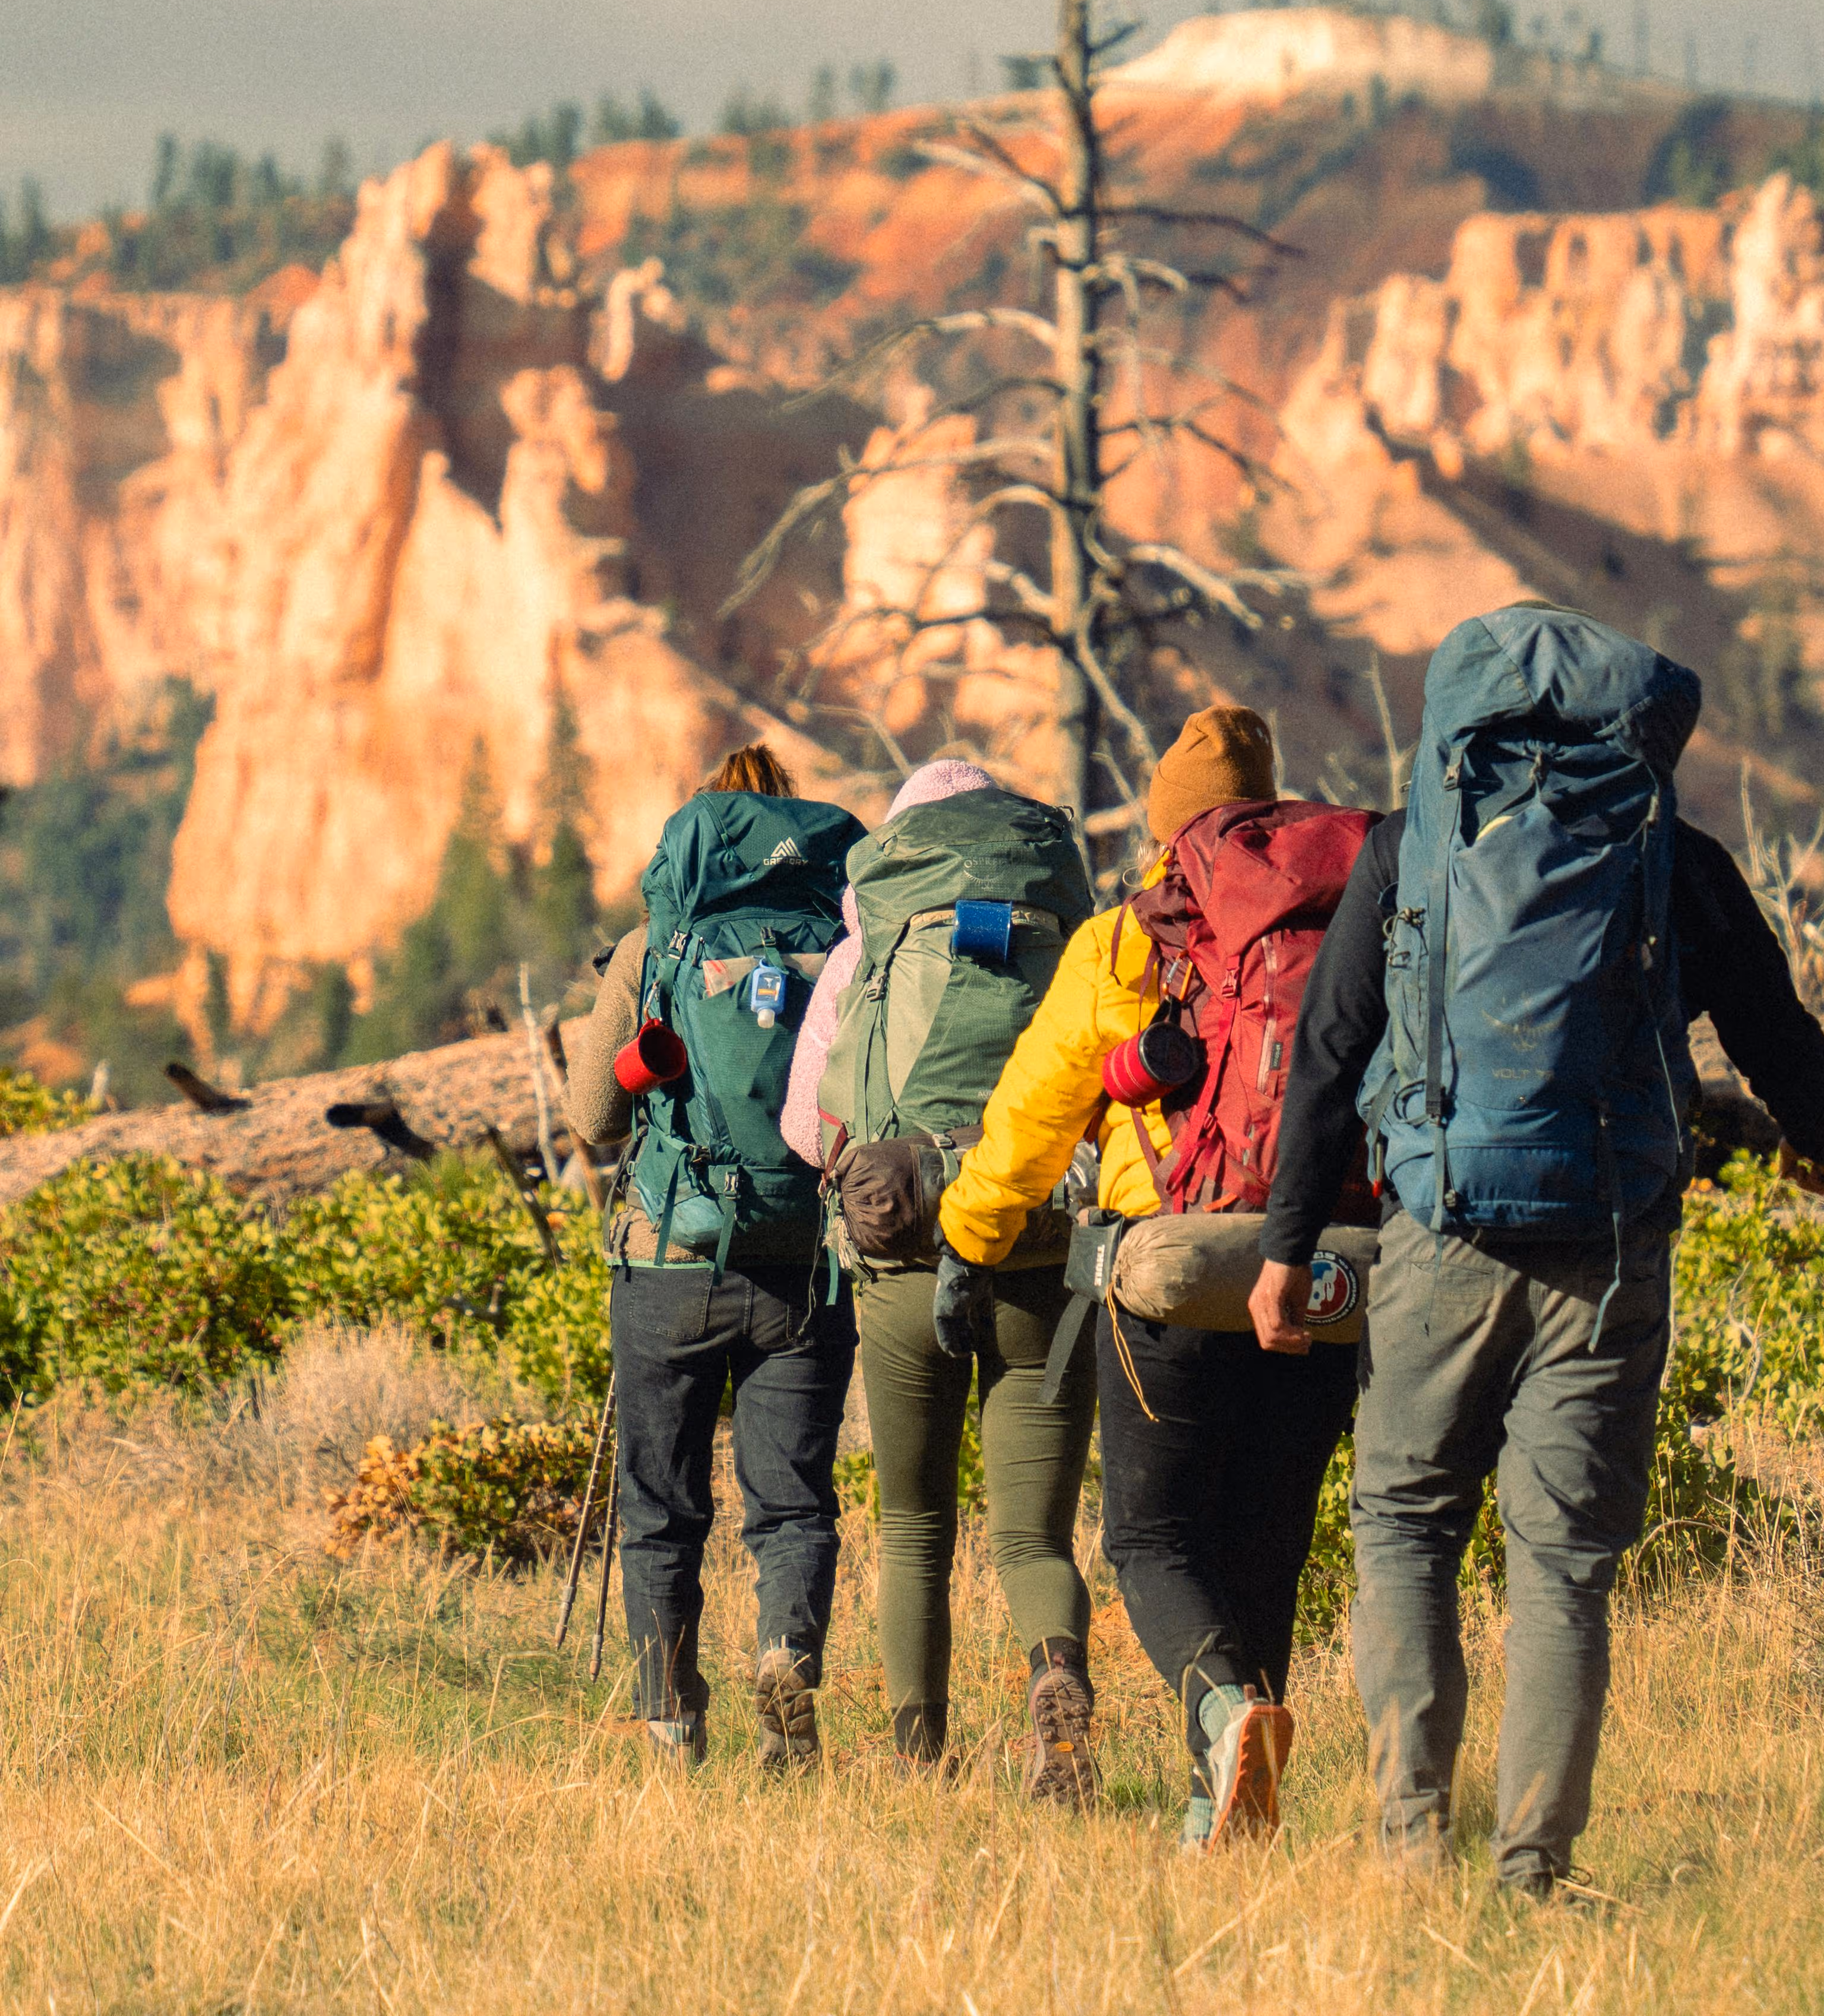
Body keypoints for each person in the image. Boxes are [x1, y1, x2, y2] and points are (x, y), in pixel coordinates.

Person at [1248, 605, 1824, 1895]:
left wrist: (1285, 1244)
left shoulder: (1411, 846)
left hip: (1436, 1233)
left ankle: (1409, 1846)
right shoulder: (1663, 850)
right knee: (1561, 1562)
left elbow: (1327, 1052)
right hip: (1610, 1247)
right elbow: (1768, 1015)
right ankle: (1529, 1868)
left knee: (1404, 1522)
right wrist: (1818, 1133)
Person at [938, 707, 1367, 1850]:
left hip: (1175, 1268)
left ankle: (1226, 1718)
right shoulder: (1354, 916)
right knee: (1268, 1535)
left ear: (1170, 824)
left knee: (1153, 1538)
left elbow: (1028, 1127)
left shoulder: (1125, 941)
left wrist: (970, 1238)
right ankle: (1220, 1799)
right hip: (1333, 1267)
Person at [782, 759, 1102, 1799]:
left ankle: (919, 1757)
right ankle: (1056, 1682)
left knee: (916, 1523)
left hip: (902, 1255)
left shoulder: (869, 943)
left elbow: (806, 1123)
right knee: (1031, 1532)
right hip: (1042, 1253)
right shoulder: (1066, 933)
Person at [567, 743, 865, 1771]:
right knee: (791, 1504)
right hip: (803, 1261)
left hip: (669, 1260)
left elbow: (596, 1117)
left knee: (662, 1508)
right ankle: (785, 1650)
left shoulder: (659, 940)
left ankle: (668, 1720)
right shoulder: (844, 939)